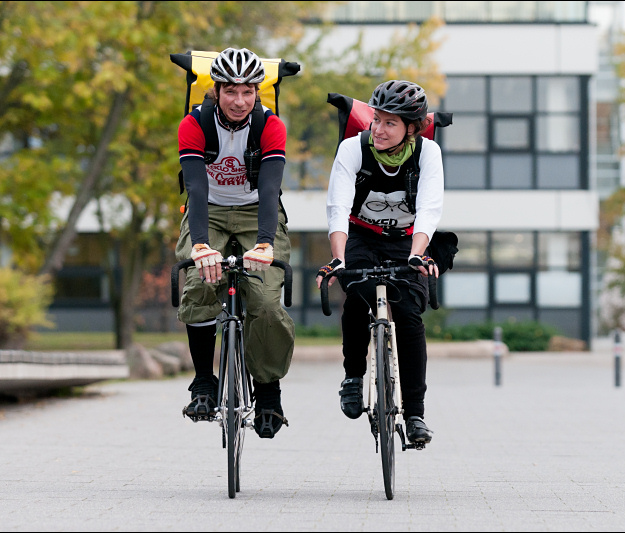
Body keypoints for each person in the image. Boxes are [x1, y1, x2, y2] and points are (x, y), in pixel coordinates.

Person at [315, 80, 443, 445]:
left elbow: (430, 207)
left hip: (408, 241)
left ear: (411, 128)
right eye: (377, 119)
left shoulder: (428, 153)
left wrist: (418, 253)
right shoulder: (353, 148)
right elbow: (337, 205)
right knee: (356, 292)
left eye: (391, 123)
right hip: (360, 236)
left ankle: (415, 414)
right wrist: (338, 259)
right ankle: (354, 377)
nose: (379, 129)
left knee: (408, 316)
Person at [176, 47, 295, 439]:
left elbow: (270, 189)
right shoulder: (194, 124)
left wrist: (264, 245)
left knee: (263, 301)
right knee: (199, 283)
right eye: (231, 92)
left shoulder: (269, 126)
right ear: (216, 90)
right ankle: (204, 382)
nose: (240, 101)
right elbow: (194, 188)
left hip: (254, 212)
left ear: (258, 91)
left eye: (248, 91)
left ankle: (268, 392)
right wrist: (199, 246)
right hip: (206, 210)